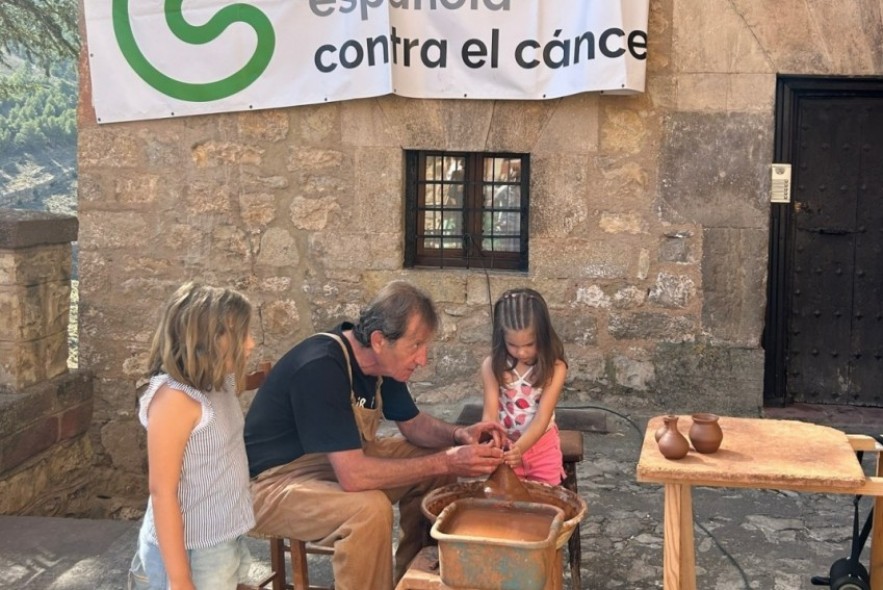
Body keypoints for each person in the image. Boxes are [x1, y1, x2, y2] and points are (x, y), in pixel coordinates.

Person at [244, 280, 505, 590]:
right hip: (269, 485)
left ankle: (414, 578)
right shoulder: (321, 367)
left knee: (430, 464)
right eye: (416, 345)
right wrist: (448, 462)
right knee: (369, 511)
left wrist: (460, 435)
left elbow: (414, 425)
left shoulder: (382, 363)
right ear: (380, 340)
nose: (423, 359)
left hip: (330, 462)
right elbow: (354, 476)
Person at [128, 282, 256, 590]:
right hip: (192, 551)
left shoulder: (218, 384)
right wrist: (180, 579)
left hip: (222, 538)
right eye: (241, 335)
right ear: (206, 340)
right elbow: (162, 492)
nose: (250, 344)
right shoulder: (175, 401)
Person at [481, 288, 568, 485]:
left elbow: (542, 418)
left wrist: (520, 449)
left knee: (546, 503)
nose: (521, 352)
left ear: (543, 336)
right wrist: (494, 441)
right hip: (506, 450)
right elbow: (490, 415)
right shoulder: (492, 365)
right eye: (512, 345)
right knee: (506, 503)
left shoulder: (555, 368)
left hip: (543, 449)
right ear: (501, 337)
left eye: (529, 344)